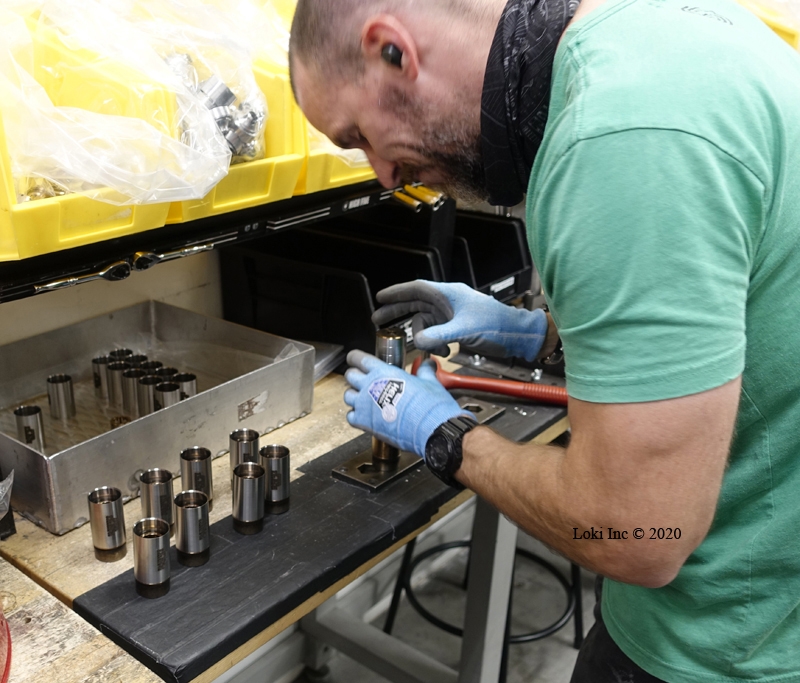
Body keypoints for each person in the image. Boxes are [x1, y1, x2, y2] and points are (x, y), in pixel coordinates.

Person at [288, 0, 800, 680]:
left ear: (392, 50)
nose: (383, 174)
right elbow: (733, 304)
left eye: (358, 136)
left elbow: (640, 533)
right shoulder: (658, 32)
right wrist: (535, 334)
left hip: (726, 642)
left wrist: (445, 434)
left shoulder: (615, 136)